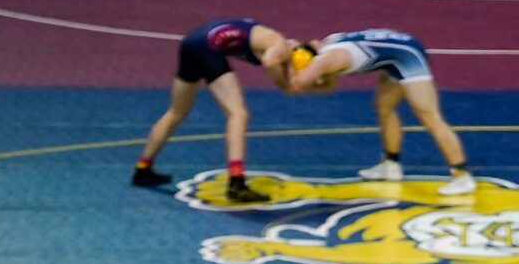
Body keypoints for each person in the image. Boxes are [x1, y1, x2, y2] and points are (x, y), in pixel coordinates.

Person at [131, 17, 300, 201]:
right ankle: (236, 182)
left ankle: (143, 169)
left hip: (192, 42)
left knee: (176, 112)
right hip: (208, 47)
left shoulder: (270, 39)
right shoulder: (280, 45)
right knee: (238, 114)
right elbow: (270, 63)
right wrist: (286, 85)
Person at [288, 31, 474, 197]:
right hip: (396, 51)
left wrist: (287, 65)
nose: (313, 40)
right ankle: (391, 165)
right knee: (384, 107)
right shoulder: (330, 42)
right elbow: (327, 84)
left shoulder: (328, 59)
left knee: (429, 116)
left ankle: (462, 175)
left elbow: (300, 84)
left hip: (408, 56)